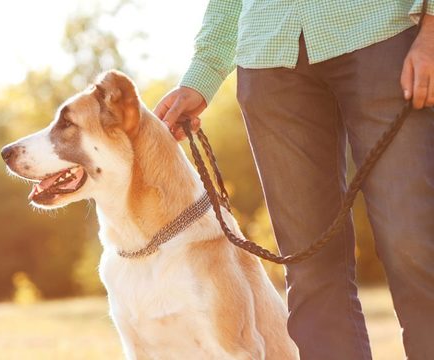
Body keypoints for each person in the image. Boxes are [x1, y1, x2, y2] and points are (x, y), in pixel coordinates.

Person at [154, 1, 434, 359]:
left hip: (381, 30)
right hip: (270, 55)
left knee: (416, 246)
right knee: (310, 273)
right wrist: (204, 71)